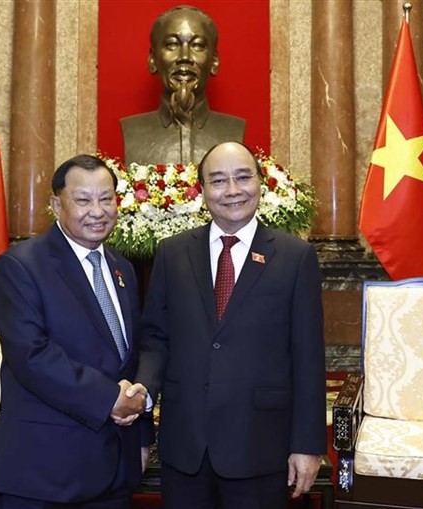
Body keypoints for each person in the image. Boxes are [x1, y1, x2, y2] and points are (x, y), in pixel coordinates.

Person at [134, 142, 327, 508]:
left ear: (260, 183)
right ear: (202, 190)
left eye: (243, 177)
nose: (233, 190)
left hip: (260, 444)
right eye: (219, 180)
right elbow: (155, 340)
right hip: (186, 444)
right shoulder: (172, 253)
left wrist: (307, 444)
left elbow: (308, 356)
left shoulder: (294, 257)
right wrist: (140, 409)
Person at [0, 154, 153, 509]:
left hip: (114, 469)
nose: (97, 210)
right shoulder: (19, 266)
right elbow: (32, 356)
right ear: (55, 204)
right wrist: (109, 398)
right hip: (45, 471)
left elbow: (130, 357)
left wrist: (141, 436)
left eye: (106, 198)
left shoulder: (122, 269)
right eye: (83, 200)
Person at [120, 5, 245, 165]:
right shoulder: (133, 130)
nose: (184, 57)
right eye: (172, 45)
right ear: (152, 59)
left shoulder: (233, 130)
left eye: (197, 45)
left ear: (214, 61)